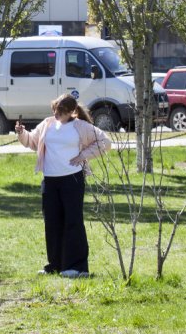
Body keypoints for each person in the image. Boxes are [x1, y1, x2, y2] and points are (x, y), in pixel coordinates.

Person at [15, 94, 112, 279]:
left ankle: (78, 267)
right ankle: (55, 265)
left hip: (72, 180)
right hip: (50, 180)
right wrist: (21, 133)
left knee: (73, 222)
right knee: (52, 223)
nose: (56, 114)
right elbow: (32, 141)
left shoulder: (81, 127)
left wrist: (83, 156)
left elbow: (105, 143)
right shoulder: (47, 124)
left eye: (61, 111)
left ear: (72, 112)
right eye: (55, 109)